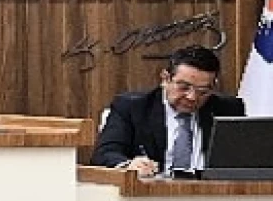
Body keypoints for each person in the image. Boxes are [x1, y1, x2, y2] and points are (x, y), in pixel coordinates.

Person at [92, 44, 245, 177]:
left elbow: (242, 161)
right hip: (151, 195)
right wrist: (128, 165)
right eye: (184, 87)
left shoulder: (228, 109)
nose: (192, 97)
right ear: (165, 78)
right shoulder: (132, 107)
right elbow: (105, 154)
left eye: (203, 91)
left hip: (212, 196)